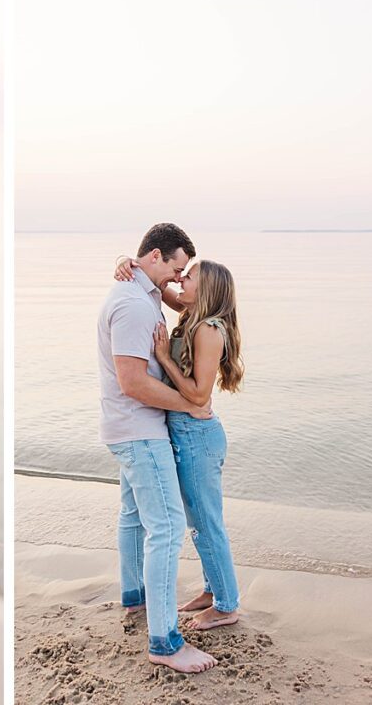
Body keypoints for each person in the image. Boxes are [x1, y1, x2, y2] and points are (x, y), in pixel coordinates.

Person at [96, 223, 217, 674]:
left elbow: (169, 297)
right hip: (139, 431)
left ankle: (135, 599)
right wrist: (190, 403)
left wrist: (125, 262)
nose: (177, 278)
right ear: (156, 257)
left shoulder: (141, 292)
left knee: (133, 518)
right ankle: (165, 642)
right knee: (166, 527)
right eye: (175, 269)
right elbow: (132, 383)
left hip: (127, 429)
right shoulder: (132, 303)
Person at [116, 257, 245, 631]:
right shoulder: (192, 313)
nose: (180, 280)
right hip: (186, 433)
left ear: (205, 290)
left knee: (206, 523)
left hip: (197, 435)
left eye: (189, 277)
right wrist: (128, 263)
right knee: (197, 520)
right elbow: (160, 286)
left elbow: (198, 395)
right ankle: (212, 590)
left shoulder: (208, 330)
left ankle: (226, 604)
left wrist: (160, 358)